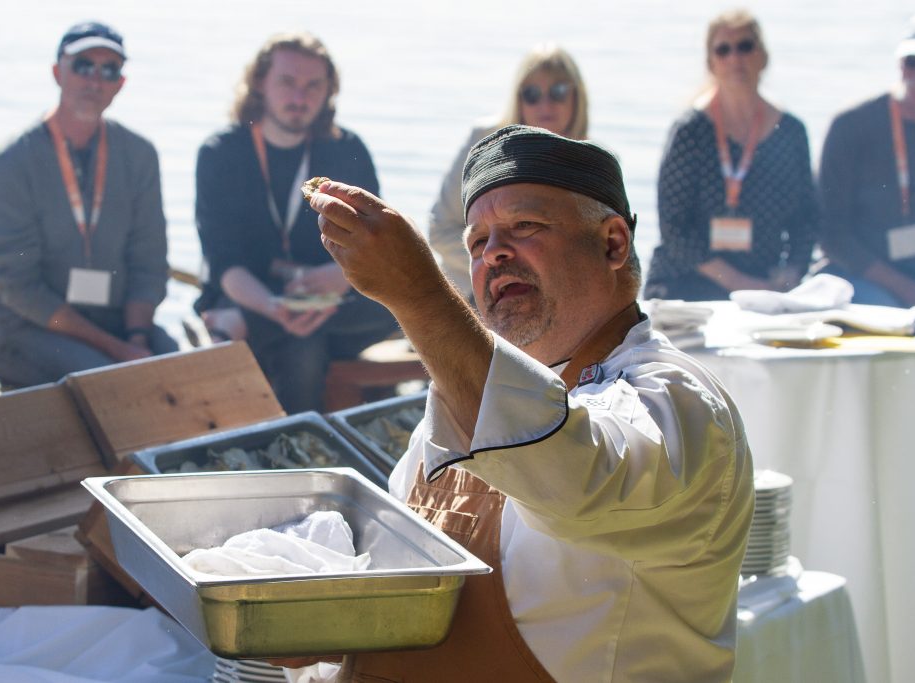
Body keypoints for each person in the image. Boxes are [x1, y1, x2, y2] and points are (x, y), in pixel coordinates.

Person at [303, 125, 754, 681]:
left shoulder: (678, 403)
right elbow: (390, 576)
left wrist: (417, 294)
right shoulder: (457, 399)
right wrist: (314, 629)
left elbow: (577, 480)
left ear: (613, 243)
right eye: (477, 242)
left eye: (524, 226)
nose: (494, 255)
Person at [194, 32, 397, 413]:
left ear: (329, 91)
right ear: (260, 83)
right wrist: (273, 308)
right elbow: (223, 261)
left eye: (313, 85)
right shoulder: (221, 153)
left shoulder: (347, 148)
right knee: (303, 347)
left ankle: (236, 325)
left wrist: (339, 278)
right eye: (287, 82)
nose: (300, 98)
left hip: (334, 295)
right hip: (256, 294)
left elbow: (374, 240)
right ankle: (304, 451)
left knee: (404, 301)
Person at [0, 21, 177, 388]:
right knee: (110, 380)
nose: (95, 80)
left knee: (185, 369)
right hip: (27, 331)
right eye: (84, 65)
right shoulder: (9, 162)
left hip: (118, 323)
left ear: (120, 83)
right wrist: (118, 351)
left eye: (109, 70)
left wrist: (135, 338)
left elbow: (148, 261)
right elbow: (18, 287)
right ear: (58, 72)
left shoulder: (139, 154)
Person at [644, 9, 819, 301]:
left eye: (745, 46)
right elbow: (673, 229)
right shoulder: (690, 131)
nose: (735, 58)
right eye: (723, 49)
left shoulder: (790, 130)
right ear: (711, 63)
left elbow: (807, 218)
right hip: (689, 282)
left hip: (766, 283)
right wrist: (740, 283)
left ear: (763, 57)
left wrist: (792, 271)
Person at [428, 43, 589, 298]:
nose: (545, 104)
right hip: (472, 298)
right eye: (532, 94)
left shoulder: (594, 163)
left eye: (558, 92)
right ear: (518, 98)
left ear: (577, 97)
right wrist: (500, 266)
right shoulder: (485, 140)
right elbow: (440, 228)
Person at [816, 12, 915, 308]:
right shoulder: (851, 125)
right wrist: (910, 291)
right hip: (861, 279)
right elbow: (831, 235)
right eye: (910, 62)